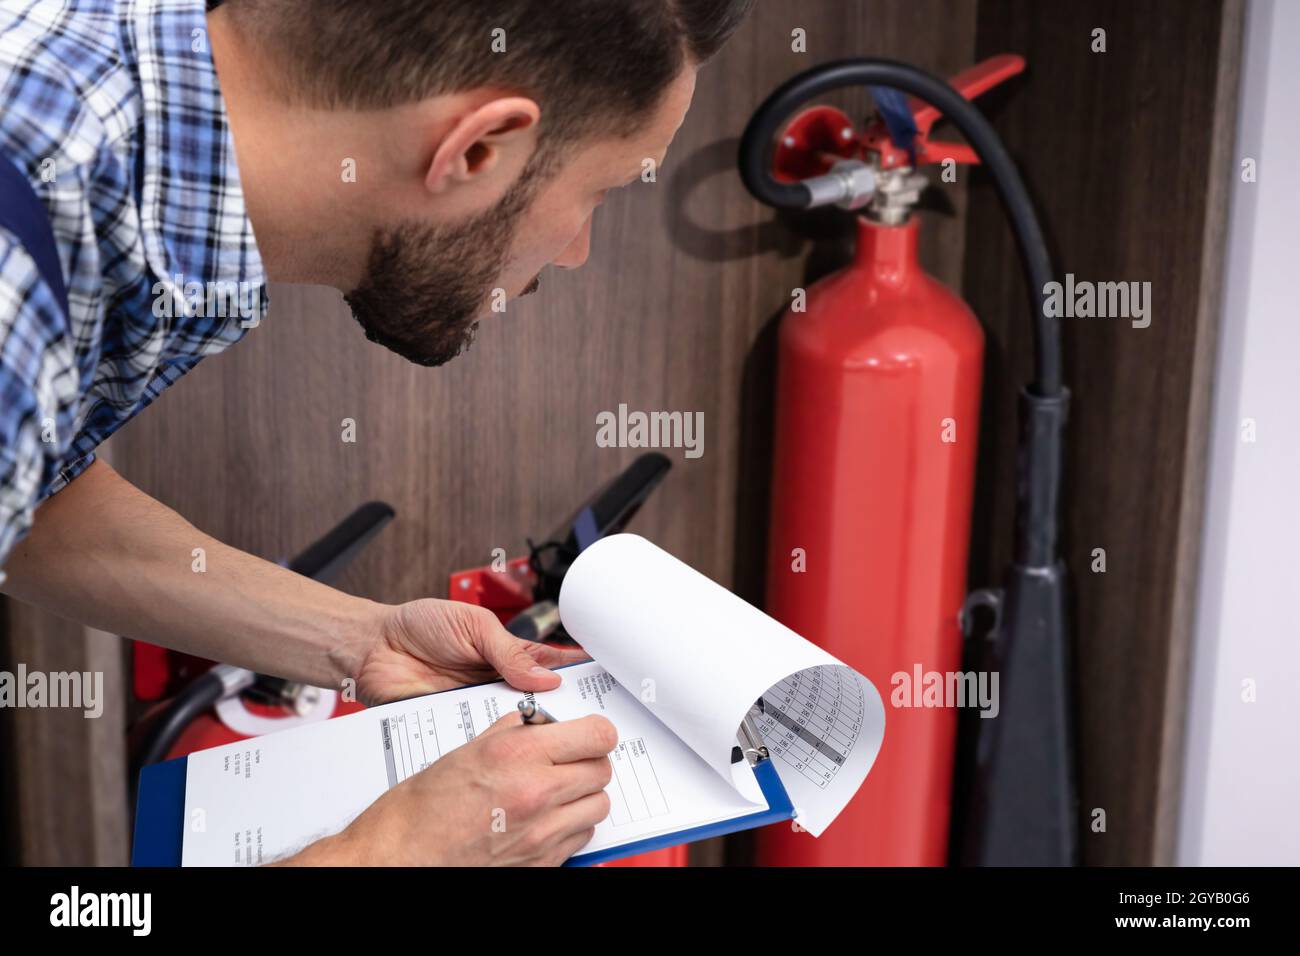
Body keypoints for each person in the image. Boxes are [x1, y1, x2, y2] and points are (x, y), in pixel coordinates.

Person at [0, 0, 754, 865]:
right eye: (601, 192)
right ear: (477, 150)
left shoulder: (113, 91)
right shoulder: (15, 277)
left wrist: (363, 640)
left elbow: (37, 502)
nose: (578, 250)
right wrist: (396, 852)